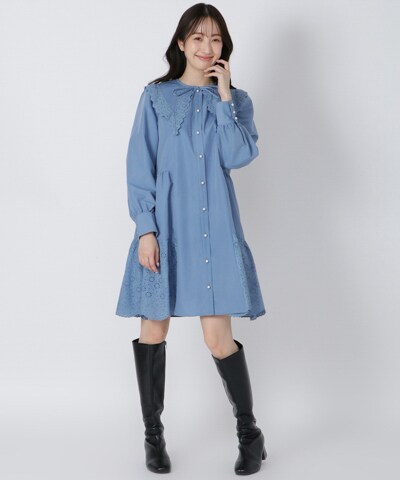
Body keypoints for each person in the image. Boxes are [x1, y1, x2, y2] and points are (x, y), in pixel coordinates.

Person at [115, 3, 268, 475]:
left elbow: (238, 156)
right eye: (198, 37)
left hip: (214, 233)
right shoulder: (155, 97)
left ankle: (249, 434)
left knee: (218, 338)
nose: (207, 47)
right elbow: (140, 166)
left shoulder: (236, 101)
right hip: (166, 231)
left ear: (224, 47)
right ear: (181, 43)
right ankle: (153, 437)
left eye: (216, 38)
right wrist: (146, 229)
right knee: (153, 331)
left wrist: (223, 98)